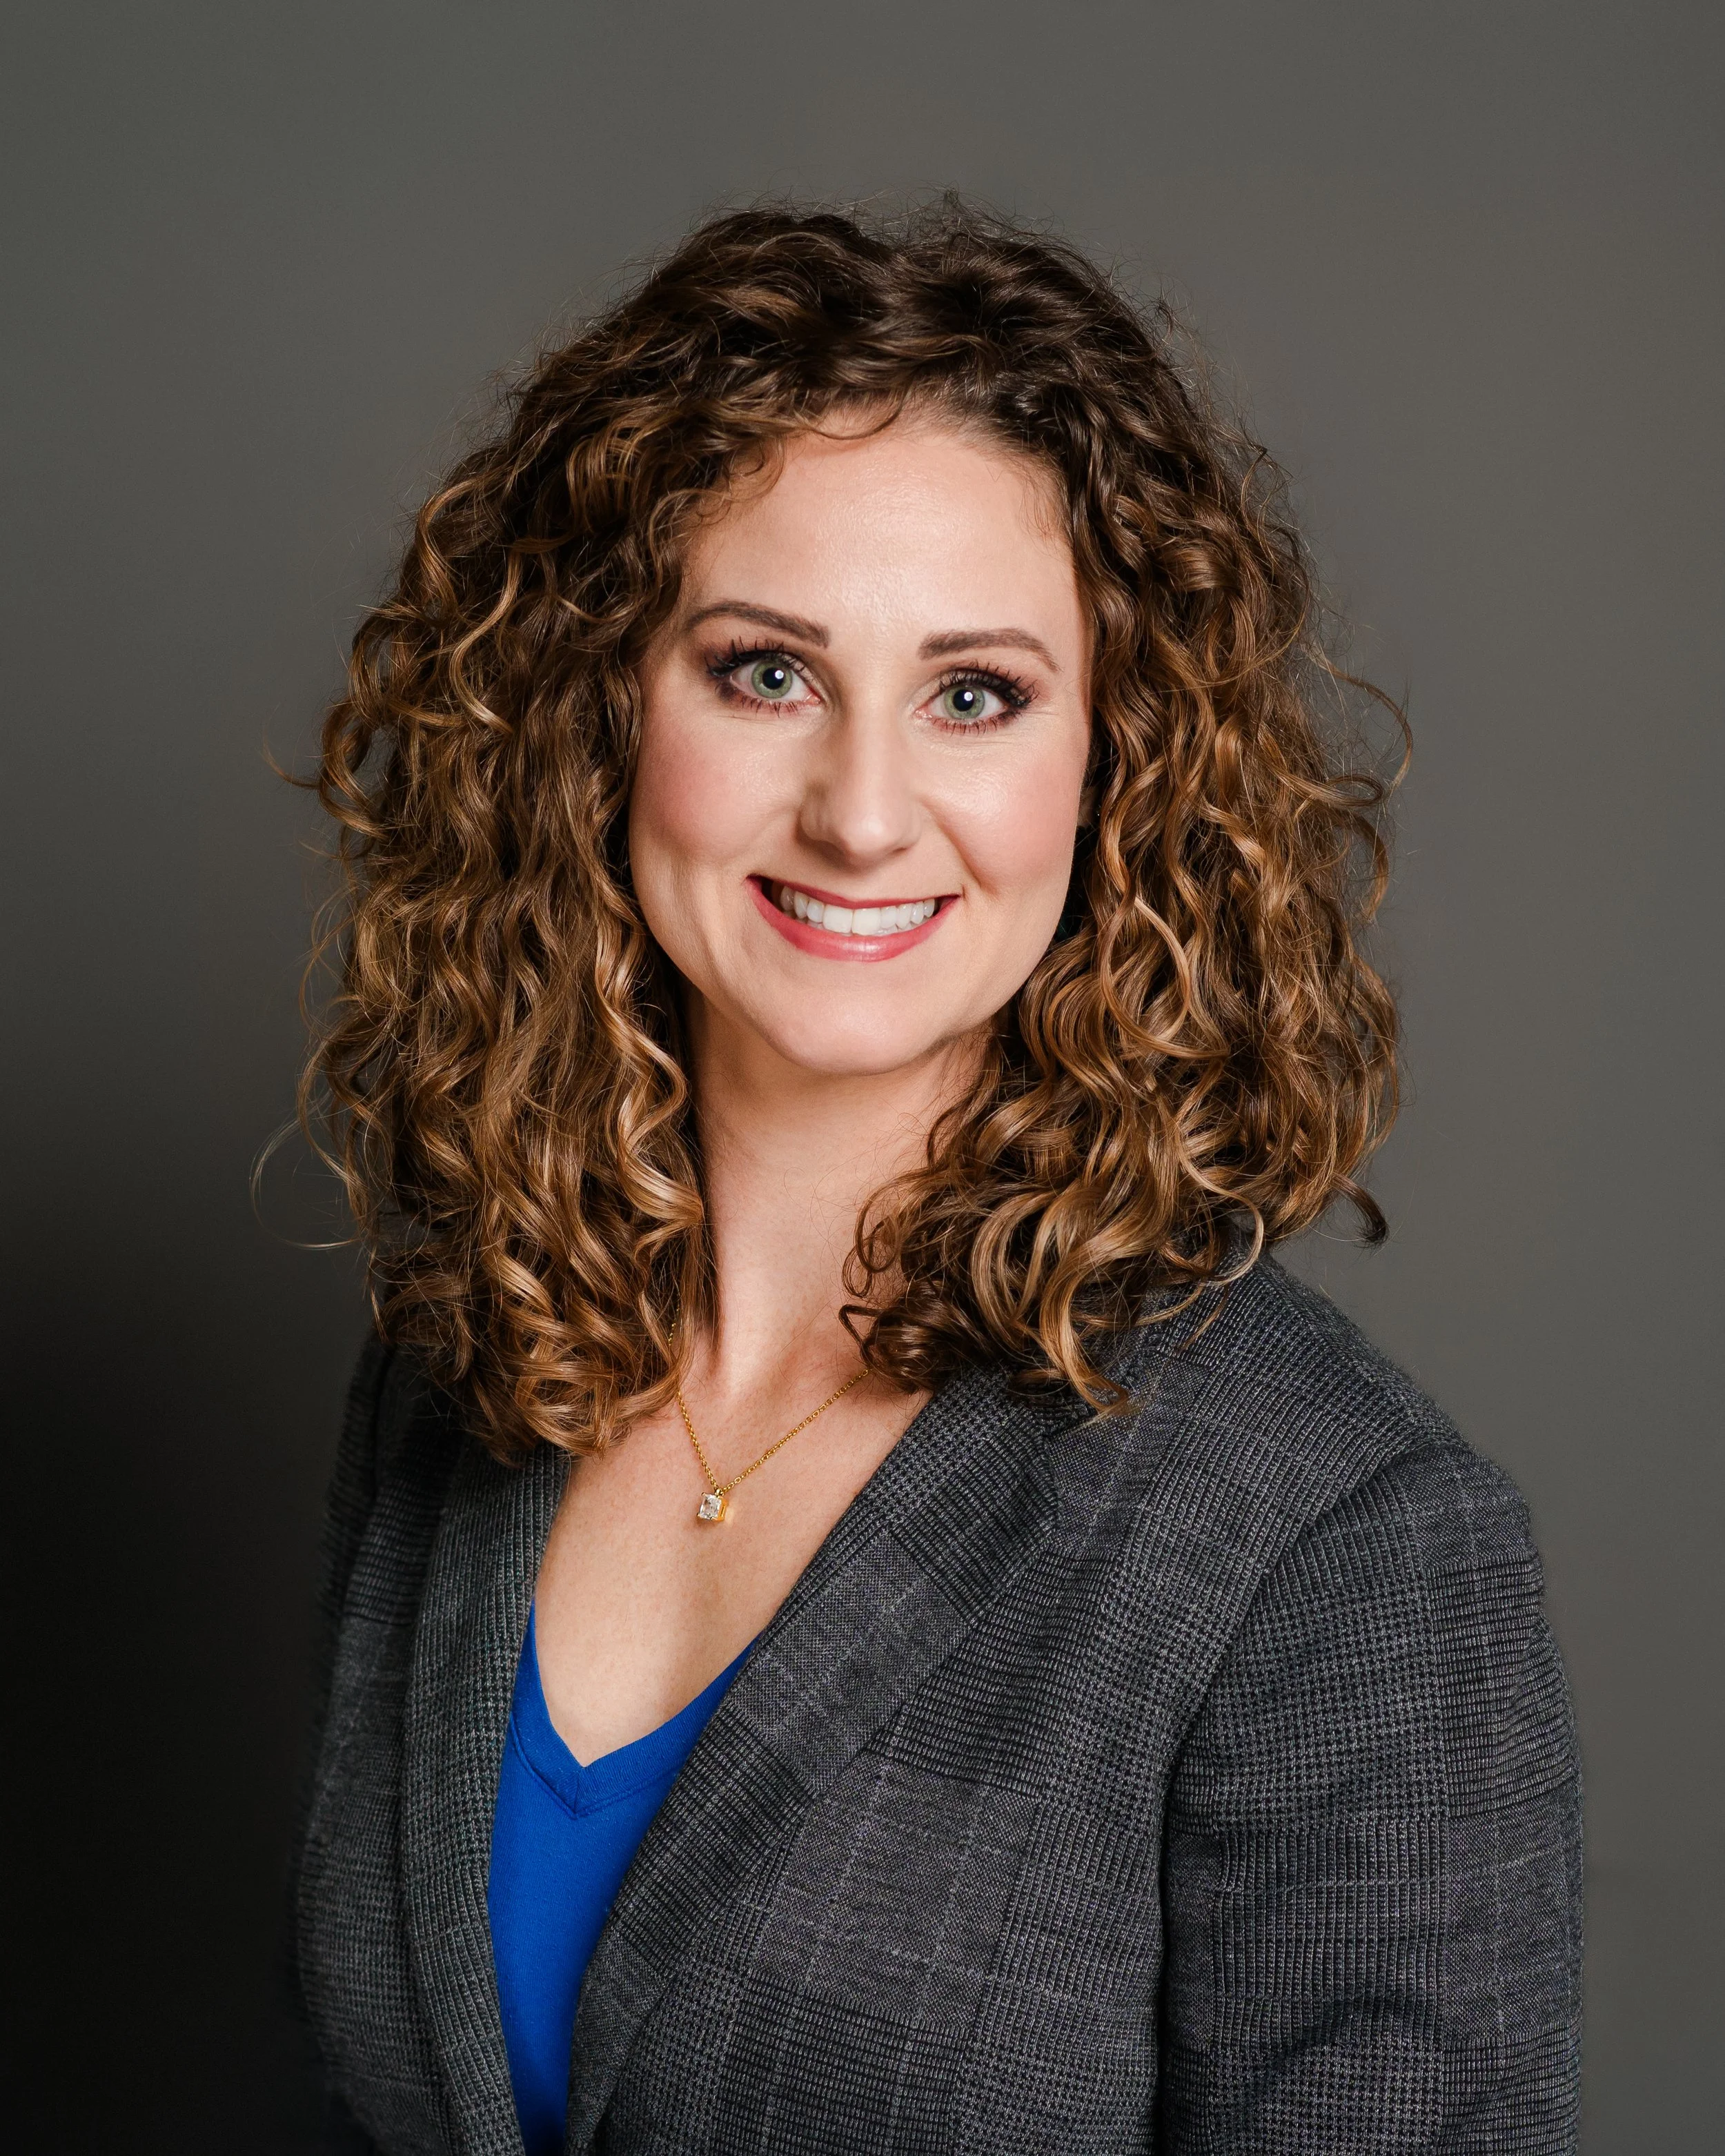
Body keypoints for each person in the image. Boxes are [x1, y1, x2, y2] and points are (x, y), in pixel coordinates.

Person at [290, 205, 1581, 2154]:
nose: (865, 808)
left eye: (973, 691)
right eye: (762, 672)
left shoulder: (1342, 1541)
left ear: (1112, 763)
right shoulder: (457, 1369)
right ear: (598, 709)